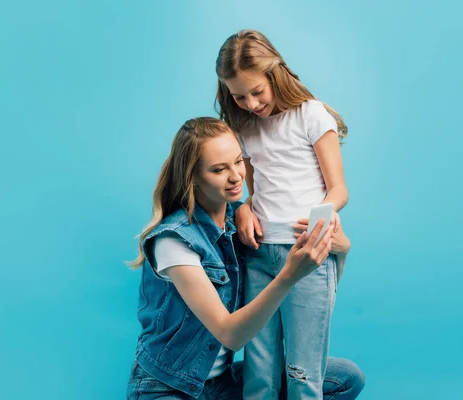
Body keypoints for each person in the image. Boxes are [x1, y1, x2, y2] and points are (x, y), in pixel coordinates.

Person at [126, 117, 363, 399]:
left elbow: (313, 295)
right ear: (193, 177)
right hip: (170, 387)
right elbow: (231, 335)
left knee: (344, 378)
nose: (236, 176)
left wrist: (342, 249)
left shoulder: (242, 223)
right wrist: (288, 275)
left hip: (221, 384)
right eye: (219, 169)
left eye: (239, 161)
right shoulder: (174, 240)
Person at [215, 29, 351, 399]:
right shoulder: (243, 128)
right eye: (239, 96)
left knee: (303, 372)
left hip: (305, 252)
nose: (251, 102)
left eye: (257, 91)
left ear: (275, 74)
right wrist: (242, 207)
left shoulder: (311, 114)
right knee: (259, 370)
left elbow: (338, 188)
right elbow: (254, 190)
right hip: (257, 254)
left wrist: (322, 214)